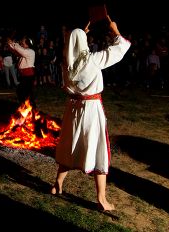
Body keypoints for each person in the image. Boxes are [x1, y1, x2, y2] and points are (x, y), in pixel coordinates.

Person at [51, 18, 130, 212]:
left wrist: (78, 35)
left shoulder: (66, 64)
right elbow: (118, 50)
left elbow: (73, 48)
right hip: (91, 109)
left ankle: (57, 185)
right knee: (97, 149)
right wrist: (116, 31)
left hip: (73, 109)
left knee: (71, 144)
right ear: (84, 43)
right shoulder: (92, 60)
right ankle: (101, 199)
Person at [7, 36, 36, 107]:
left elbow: (20, 50)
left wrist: (14, 43)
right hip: (24, 75)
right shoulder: (24, 51)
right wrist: (10, 44)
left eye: (23, 40)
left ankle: (29, 106)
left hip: (29, 75)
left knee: (24, 91)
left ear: (27, 43)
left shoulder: (30, 51)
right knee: (23, 91)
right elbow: (14, 50)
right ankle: (26, 105)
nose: (21, 41)